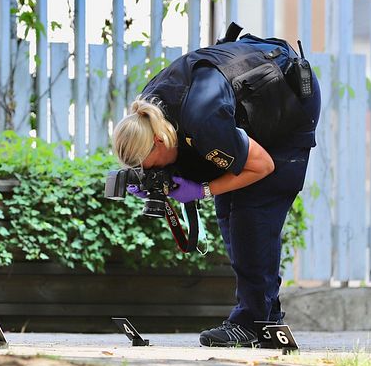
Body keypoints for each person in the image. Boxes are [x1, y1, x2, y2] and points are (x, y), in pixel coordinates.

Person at [111, 24, 321, 347]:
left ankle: (251, 322)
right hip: (245, 108)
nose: (147, 172)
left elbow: (263, 165)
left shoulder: (203, 120)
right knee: (229, 211)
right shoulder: (149, 110)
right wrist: (163, 184)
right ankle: (267, 320)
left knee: (250, 212)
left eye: (148, 165)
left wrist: (202, 190)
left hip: (289, 108)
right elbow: (184, 155)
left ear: (157, 141)